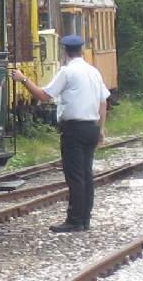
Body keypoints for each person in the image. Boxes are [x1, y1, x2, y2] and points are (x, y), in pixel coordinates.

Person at [12, 33, 110, 232]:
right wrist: (101, 128)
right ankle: (85, 219)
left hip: (74, 129)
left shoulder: (67, 72)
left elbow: (44, 95)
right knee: (86, 174)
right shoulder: (94, 72)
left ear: (65, 51)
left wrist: (23, 79)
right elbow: (103, 102)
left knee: (75, 175)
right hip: (91, 126)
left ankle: (74, 220)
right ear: (81, 50)